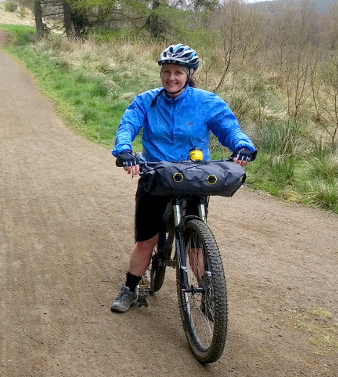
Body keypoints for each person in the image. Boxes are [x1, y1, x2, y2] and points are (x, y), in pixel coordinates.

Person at [109, 43, 256, 313]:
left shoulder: (206, 102)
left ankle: (209, 293)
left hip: (193, 177)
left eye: (178, 72)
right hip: (155, 175)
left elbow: (228, 127)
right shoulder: (146, 100)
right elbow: (128, 125)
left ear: (188, 74)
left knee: (195, 244)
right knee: (147, 240)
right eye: (166, 71)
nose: (171, 78)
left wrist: (242, 146)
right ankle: (130, 287)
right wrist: (125, 151)